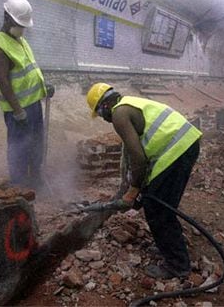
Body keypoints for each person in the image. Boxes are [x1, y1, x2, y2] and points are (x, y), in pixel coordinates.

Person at [86, 83, 202, 279]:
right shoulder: (129, 104)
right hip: (184, 146)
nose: (104, 120)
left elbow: (139, 158)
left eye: (100, 114)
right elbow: (136, 159)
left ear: (104, 106)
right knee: (156, 201)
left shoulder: (118, 115)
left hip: (177, 151)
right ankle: (170, 247)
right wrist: (140, 190)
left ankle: (177, 265)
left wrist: (133, 191)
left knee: (158, 210)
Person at [0, 0, 54, 187]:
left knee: (36, 145)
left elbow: (28, 70)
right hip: (18, 111)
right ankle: (20, 187)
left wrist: (43, 86)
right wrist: (17, 110)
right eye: (19, 24)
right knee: (19, 150)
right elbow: (3, 81)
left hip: (33, 104)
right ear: (7, 17)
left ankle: (36, 180)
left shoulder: (19, 40)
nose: (22, 28)